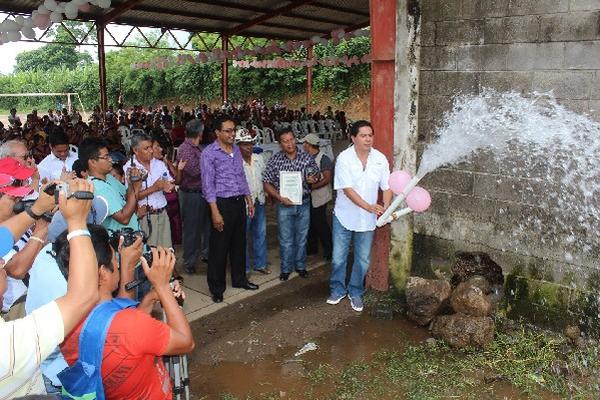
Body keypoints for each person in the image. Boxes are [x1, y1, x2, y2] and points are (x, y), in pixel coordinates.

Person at [59, 228, 194, 399]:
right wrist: (162, 286)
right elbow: (185, 342)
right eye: (115, 259)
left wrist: (147, 297)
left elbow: (112, 326)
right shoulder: (131, 325)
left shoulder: (65, 316)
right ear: (102, 273)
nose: (117, 264)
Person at [0, 178, 100, 398]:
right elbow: (84, 296)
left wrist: (36, 210)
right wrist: (77, 223)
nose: (2, 262)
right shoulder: (11, 344)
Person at [327, 120, 392, 312]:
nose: (368, 139)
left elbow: (387, 187)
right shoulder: (344, 159)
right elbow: (347, 190)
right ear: (353, 138)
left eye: (370, 135)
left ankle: (355, 291)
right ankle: (337, 289)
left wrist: (386, 208)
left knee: (362, 259)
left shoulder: (380, 159)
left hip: (367, 221)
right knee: (339, 257)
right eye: (363, 135)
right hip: (344, 216)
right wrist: (369, 207)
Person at [201, 116, 258, 303]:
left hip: (238, 202)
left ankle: (239, 279)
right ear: (217, 132)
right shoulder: (209, 153)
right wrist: (215, 211)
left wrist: (249, 199)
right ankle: (217, 288)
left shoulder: (236, 150)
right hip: (221, 204)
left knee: (239, 243)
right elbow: (207, 185)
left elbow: (241, 177)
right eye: (227, 131)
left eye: (233, 130)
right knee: (219, 247)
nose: (232, 134)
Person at [263, 127, 319, 281]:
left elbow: (316, 175)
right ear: (280, 144)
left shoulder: (306, 158)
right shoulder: (275, 160)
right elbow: (266, 182)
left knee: (302, 238)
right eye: (285, 141)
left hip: (303, 203)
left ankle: (301, 266)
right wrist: (279, 197)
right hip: (284, 205)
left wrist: (312, 179)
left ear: (296, 139)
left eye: (291, 140)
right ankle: (286, 268)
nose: (289, 144)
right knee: (286, 239)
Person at [78, 137, 143, 234]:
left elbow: (125, 197)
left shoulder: (109, 177)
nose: (111, 160)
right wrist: (136, 187)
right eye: (106, 157)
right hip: (120, 244)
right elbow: (124, 218)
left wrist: (131, 184)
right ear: (92, 162)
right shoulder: (97, 187)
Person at [124, 132, 175, 248]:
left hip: (162, 213)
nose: (151, 151)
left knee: (166, 252)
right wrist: (155, 188)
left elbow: (169, 181)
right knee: (149, 254)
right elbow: (131, 197)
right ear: (135, 151)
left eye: (151, 147)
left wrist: (169, 186)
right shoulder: (130, 168)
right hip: (146, 216)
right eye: (146, 148)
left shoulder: (159, 163)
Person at [177, 119, 210, 274]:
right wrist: (209, 165)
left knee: (206, 226)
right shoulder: (185, 149)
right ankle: (189, 261)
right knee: (192, 230)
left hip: (201, 192)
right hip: (191, 194)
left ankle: (205, 254)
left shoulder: (197, 148)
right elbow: (194, 171)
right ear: (200, 133)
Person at [236, 128, 269, 274]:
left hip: (259, 200)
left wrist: (269, 195)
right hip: (243, 204)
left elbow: (265, 177)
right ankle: (245, 268)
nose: (248, 147)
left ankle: (260, 264)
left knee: (260, 233)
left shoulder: (258, 158)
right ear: (238, 146)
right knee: (242, 236)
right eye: (244, 144)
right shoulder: (235, 162)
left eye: (250, 143)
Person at [302, 133, 334, 260]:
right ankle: (312, 247)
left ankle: (329, 249)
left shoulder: (323, 159)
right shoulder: (305, 157)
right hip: (309, 196)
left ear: (309, 145)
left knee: (320, 223)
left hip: (320, 196)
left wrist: (312, 187)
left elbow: (327, 179)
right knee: (310, 222)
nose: (303, 145)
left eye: (305, 143)